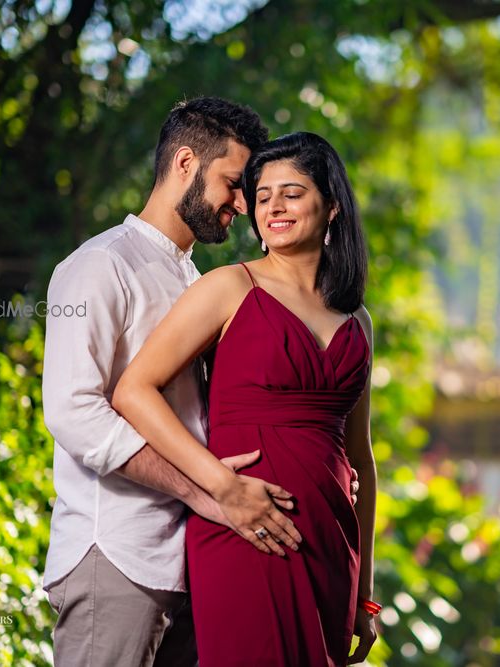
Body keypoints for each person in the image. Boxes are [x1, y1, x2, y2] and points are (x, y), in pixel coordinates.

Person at [42, 98, 346, 666]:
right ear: (185, 163)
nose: (241, 203)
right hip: (116, 555)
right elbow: (72, 411)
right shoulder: (98, 265)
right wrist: (201, 489)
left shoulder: (195, 278)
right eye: (234, 184)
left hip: (193, 560)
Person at [112, 132, 380, 666]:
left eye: (292, 193)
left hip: (330, 545)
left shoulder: (358, 319)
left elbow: (361, 457)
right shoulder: (228, 288)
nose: (273, 207)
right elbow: (132, 390)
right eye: (262, 196)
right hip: (244, 529)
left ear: (331, 207)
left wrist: (365, 590)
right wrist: (220, 486)